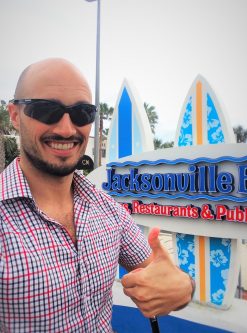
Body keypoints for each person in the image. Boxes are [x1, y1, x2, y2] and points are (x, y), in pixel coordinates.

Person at [0, 58, 193, 332]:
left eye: (81, 113)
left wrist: (183, 287)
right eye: (46, 110)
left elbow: (162, 274)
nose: (67, 129)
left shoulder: (105, 208)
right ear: (15, 115)